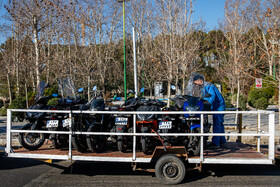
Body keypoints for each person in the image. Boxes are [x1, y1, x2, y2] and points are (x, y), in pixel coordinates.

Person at [185, 72, 226, 149]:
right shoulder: (202, 87)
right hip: (215, 106)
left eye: (196, 83)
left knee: (217, 123)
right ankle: (222, 141)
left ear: (200, 80)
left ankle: (216, 143)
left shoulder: (208, 86)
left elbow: (211, 97)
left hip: (218, 106)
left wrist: (205, 104)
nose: (196, 85)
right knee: (220, 124)